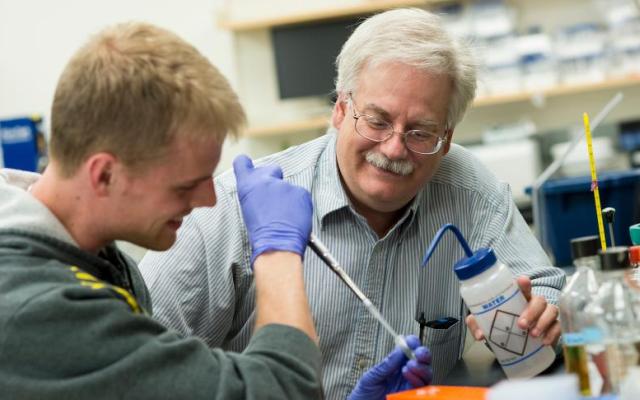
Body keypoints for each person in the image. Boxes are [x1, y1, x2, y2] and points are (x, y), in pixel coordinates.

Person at [140, 8, 566, 399]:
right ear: (341, 109)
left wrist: (541, 315)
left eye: (420, 132)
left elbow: (545, 289)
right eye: (377, 121)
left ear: (447, 138)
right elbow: (140, 369)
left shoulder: (469, 191)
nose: (394, 149)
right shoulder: (235, 207)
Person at [1, 21, 324, 399]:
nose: (210, 200)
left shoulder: (94, 257)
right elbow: (281, 392)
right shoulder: (39, 307)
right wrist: (277, 251)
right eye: (186, 185)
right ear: (104, 174)